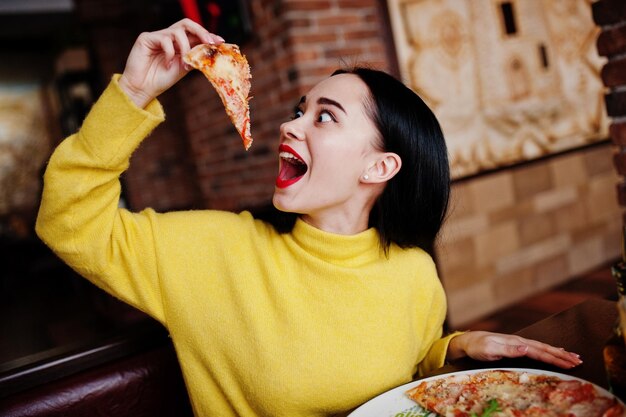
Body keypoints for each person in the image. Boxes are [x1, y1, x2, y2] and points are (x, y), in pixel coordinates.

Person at [36, 19, 581, 417]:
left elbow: (405, 373)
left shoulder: (413, 272)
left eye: (324, 116)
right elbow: (69, 220)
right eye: (299, 111)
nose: (289, 127)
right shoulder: (213, 250)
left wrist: (453, 347)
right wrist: (132, 93)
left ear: (380, 166)